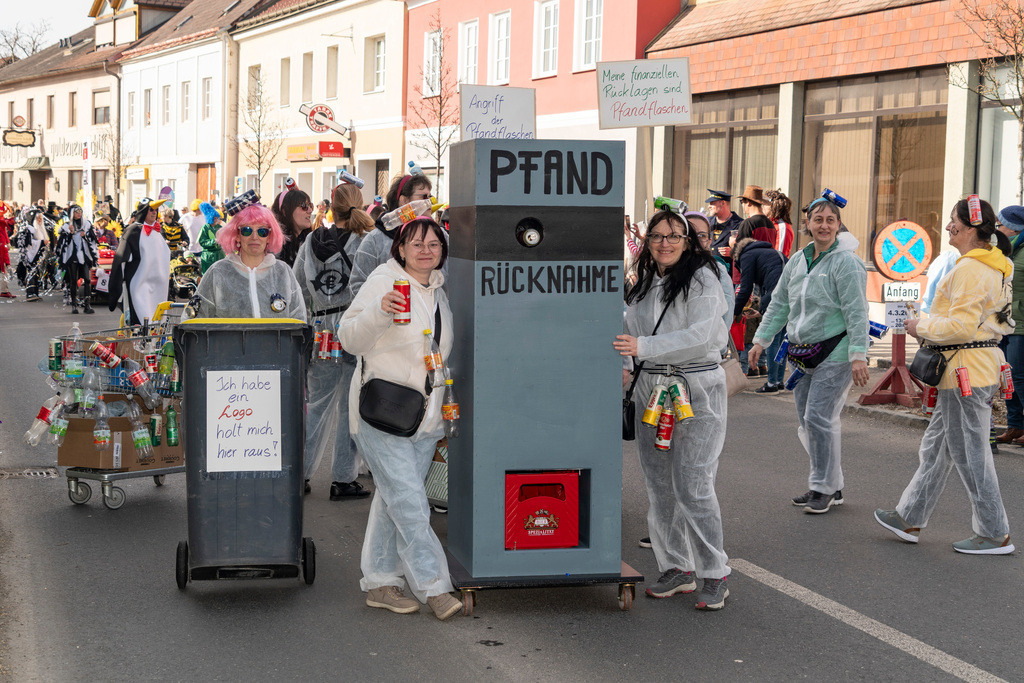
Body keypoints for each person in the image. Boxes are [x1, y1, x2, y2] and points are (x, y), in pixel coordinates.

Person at [337, 216, 462, 621]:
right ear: (400, 248)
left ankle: (380, 582)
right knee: (410, 503)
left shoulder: (439, 292)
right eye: (416, 243)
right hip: (381, 414)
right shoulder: (383, 281)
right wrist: (380, 311)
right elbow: (349, 338)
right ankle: (435, 587)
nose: (426, 250)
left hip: (425, 420)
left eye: (434, 244)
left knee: (393, 501)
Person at [875, 198, 1015, 555]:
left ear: (969, 227)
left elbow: (960, 326)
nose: (949, 226)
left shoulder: (971, 269)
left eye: (953, 220)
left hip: (963, 370)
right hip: (974, 367)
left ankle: (994, 532)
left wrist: (918, 324)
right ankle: (909, 516)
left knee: (970, 454)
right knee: (937, 448)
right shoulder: (994, 266)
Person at [613, 209, 732, 611]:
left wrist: (642, 349)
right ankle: (676, 566)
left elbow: (701, 337)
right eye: (657, 236)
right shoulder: (647, 281)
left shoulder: (703, 278)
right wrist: (630, 364)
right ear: (647, 241)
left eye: (674, 236)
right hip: (652, 387)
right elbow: (630, 327)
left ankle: (715, 573)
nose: (665, 243)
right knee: (659, 484)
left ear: (688, 240)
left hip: (695, 387)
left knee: (693, 483)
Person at [748, 196, 870, 514]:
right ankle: (832, 483)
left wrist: (859, 354)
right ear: (808, 224)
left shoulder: (846, 262)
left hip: (837, 351)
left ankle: (822, 487)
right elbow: (780, 303)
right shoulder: (798, 260)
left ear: (838, 224)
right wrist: (761, 340)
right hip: (801, 353)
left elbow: (857, 311)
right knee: (807, 420)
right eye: (818, 219)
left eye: (830, 219)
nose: (824, 225)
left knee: (819, 418)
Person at [293, 183, 372, 499]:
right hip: (354, 327)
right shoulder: (363, 244)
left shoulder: (311, 240)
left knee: (317, 404)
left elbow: (297, 282)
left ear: (331, 208)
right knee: (351, 407)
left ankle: (301, 473)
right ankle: (343, 477)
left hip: (322, 329)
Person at [183, 200, 306, 321]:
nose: (254, 237)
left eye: (262, 231)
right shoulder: (218, 272)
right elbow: (192, 320)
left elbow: (298, 320)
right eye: (246, 230)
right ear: (237, 235)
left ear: (269, 237)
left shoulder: (283, 272)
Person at [348, 173, 434, 297]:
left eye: (430, 196)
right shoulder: (375, 240)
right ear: (404, 200)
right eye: (424, 196)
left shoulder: (437, 236)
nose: (430, 202)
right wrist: (382, 307)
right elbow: (358, 287)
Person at [732, 218, 786, 392]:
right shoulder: (770, 252)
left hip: (778, 294)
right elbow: (772, 281)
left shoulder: (746, 255)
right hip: (790, 293)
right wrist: (761, 309)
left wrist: (734, 312)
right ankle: (778, 381)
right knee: (782, 338)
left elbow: (746, 288)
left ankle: (771, 383)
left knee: (771, 338)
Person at [107, 198, 171, 325]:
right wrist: (115, 291)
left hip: (159, 288)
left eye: (155, 210)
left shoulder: (158, 232)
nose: (154, 213)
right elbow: (120, 260)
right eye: (150, 210)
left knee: (157, 324)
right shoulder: (133, 231)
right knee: (140, 323)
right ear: (143, 212)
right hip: (140, 285)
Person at [995, 205, 1024, 445]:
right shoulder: (1005, 250)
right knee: (1007, 377)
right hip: (1004, 322)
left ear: (1014, 227)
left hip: (1022, 325)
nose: (997, 229)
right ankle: (1015, 426)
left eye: (1000, 225)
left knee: (1019, 375)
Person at [55, 205, 99, 314]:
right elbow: (62, 244)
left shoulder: (87, 224)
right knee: (73, 280)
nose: (79, 214)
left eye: (80, 211)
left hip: (84, 255)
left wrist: (85, 236)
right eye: (76, 212)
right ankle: (74, 305)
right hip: (72, 256)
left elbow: (93, 241)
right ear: (72, 214)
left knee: (87, 280)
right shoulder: (66, 226)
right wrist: (70, 234)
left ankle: (87, 305)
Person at [16, 209, 50, 302]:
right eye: (38, 218)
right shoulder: (30, 229)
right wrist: (42, 242)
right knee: (31, 273)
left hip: (37, 255)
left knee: (36, 274)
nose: (40, 220)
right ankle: (30, 293)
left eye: (41, 218)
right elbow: (29, 244)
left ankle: (35, 292)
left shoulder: (39, 228)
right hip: (30, 256)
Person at [274, 189, 314, 267]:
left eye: (310, 205)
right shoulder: (275, 248)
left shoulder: (309, 241)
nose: (310, 210)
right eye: (303, 206)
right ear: (285, 211)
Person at [706, 189, 742, 264]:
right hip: (708, 270)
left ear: (722, 203)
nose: (709, 206)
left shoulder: (740, 224)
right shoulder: (707, 222)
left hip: (728, 272)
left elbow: (746, 251)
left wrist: (733, 252)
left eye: (713, 203)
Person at [764, 188, 795, 258]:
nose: (762, 206)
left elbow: (779, 255)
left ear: (773, 205)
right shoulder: (769, 223)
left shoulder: (782, 227)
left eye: (765, 203)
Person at [197, 202, 225, 274]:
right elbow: (202, 242)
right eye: (214, 218)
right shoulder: (205, 228)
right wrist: (214, 241)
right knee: (208, 275)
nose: (216, 220)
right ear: (210, 218)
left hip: (220, 255)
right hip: (208, 256)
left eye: (217, 218)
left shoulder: (219, 227)